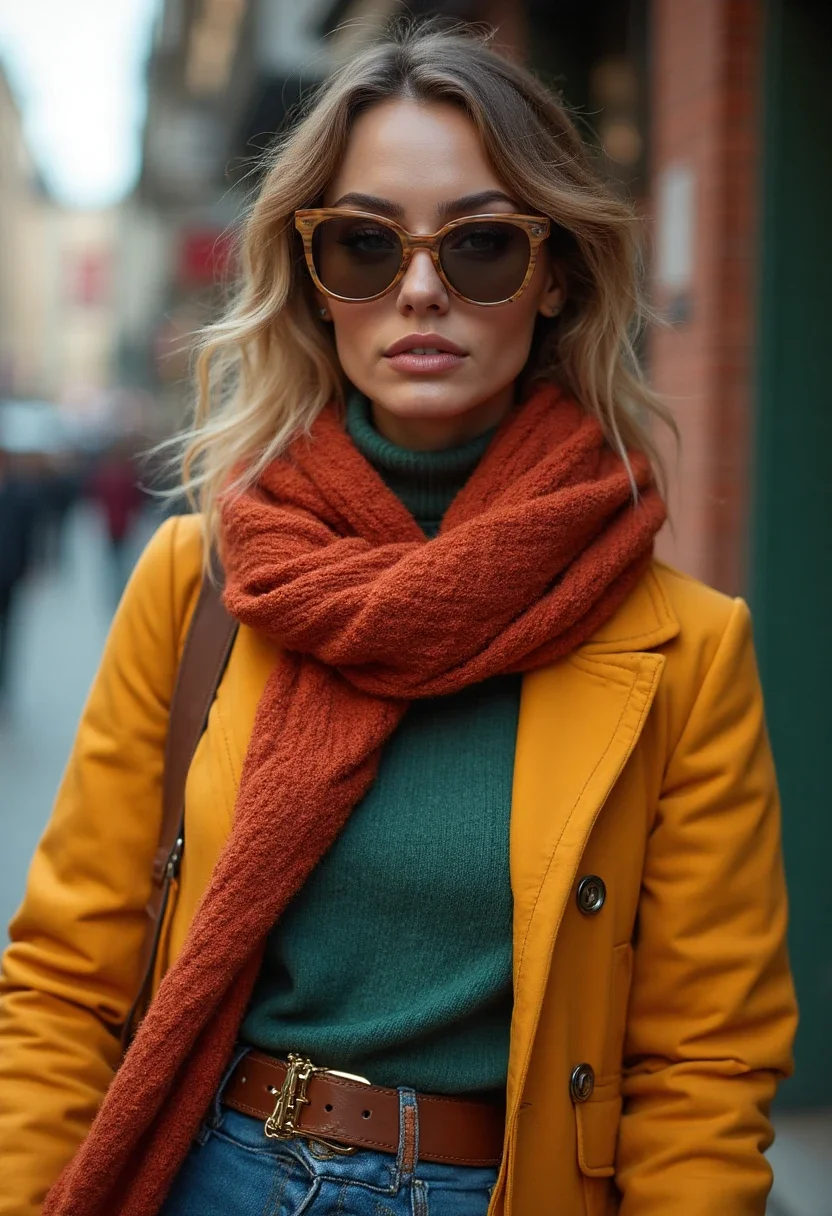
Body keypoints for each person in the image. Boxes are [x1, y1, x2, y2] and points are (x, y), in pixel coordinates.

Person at [0, 23, 796, 1216]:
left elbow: (700, 1065)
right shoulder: (199, 586)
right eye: (364, 244)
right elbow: (67, 978)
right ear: (314, 283)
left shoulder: (680, 647)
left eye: (479, 244)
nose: (419, 287)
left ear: (556, 270)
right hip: (213, 1174)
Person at [0, 448, 37, 711]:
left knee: (7, 632)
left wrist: (27, 566)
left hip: (8, 574)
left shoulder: (19, 493)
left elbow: (27, 535)